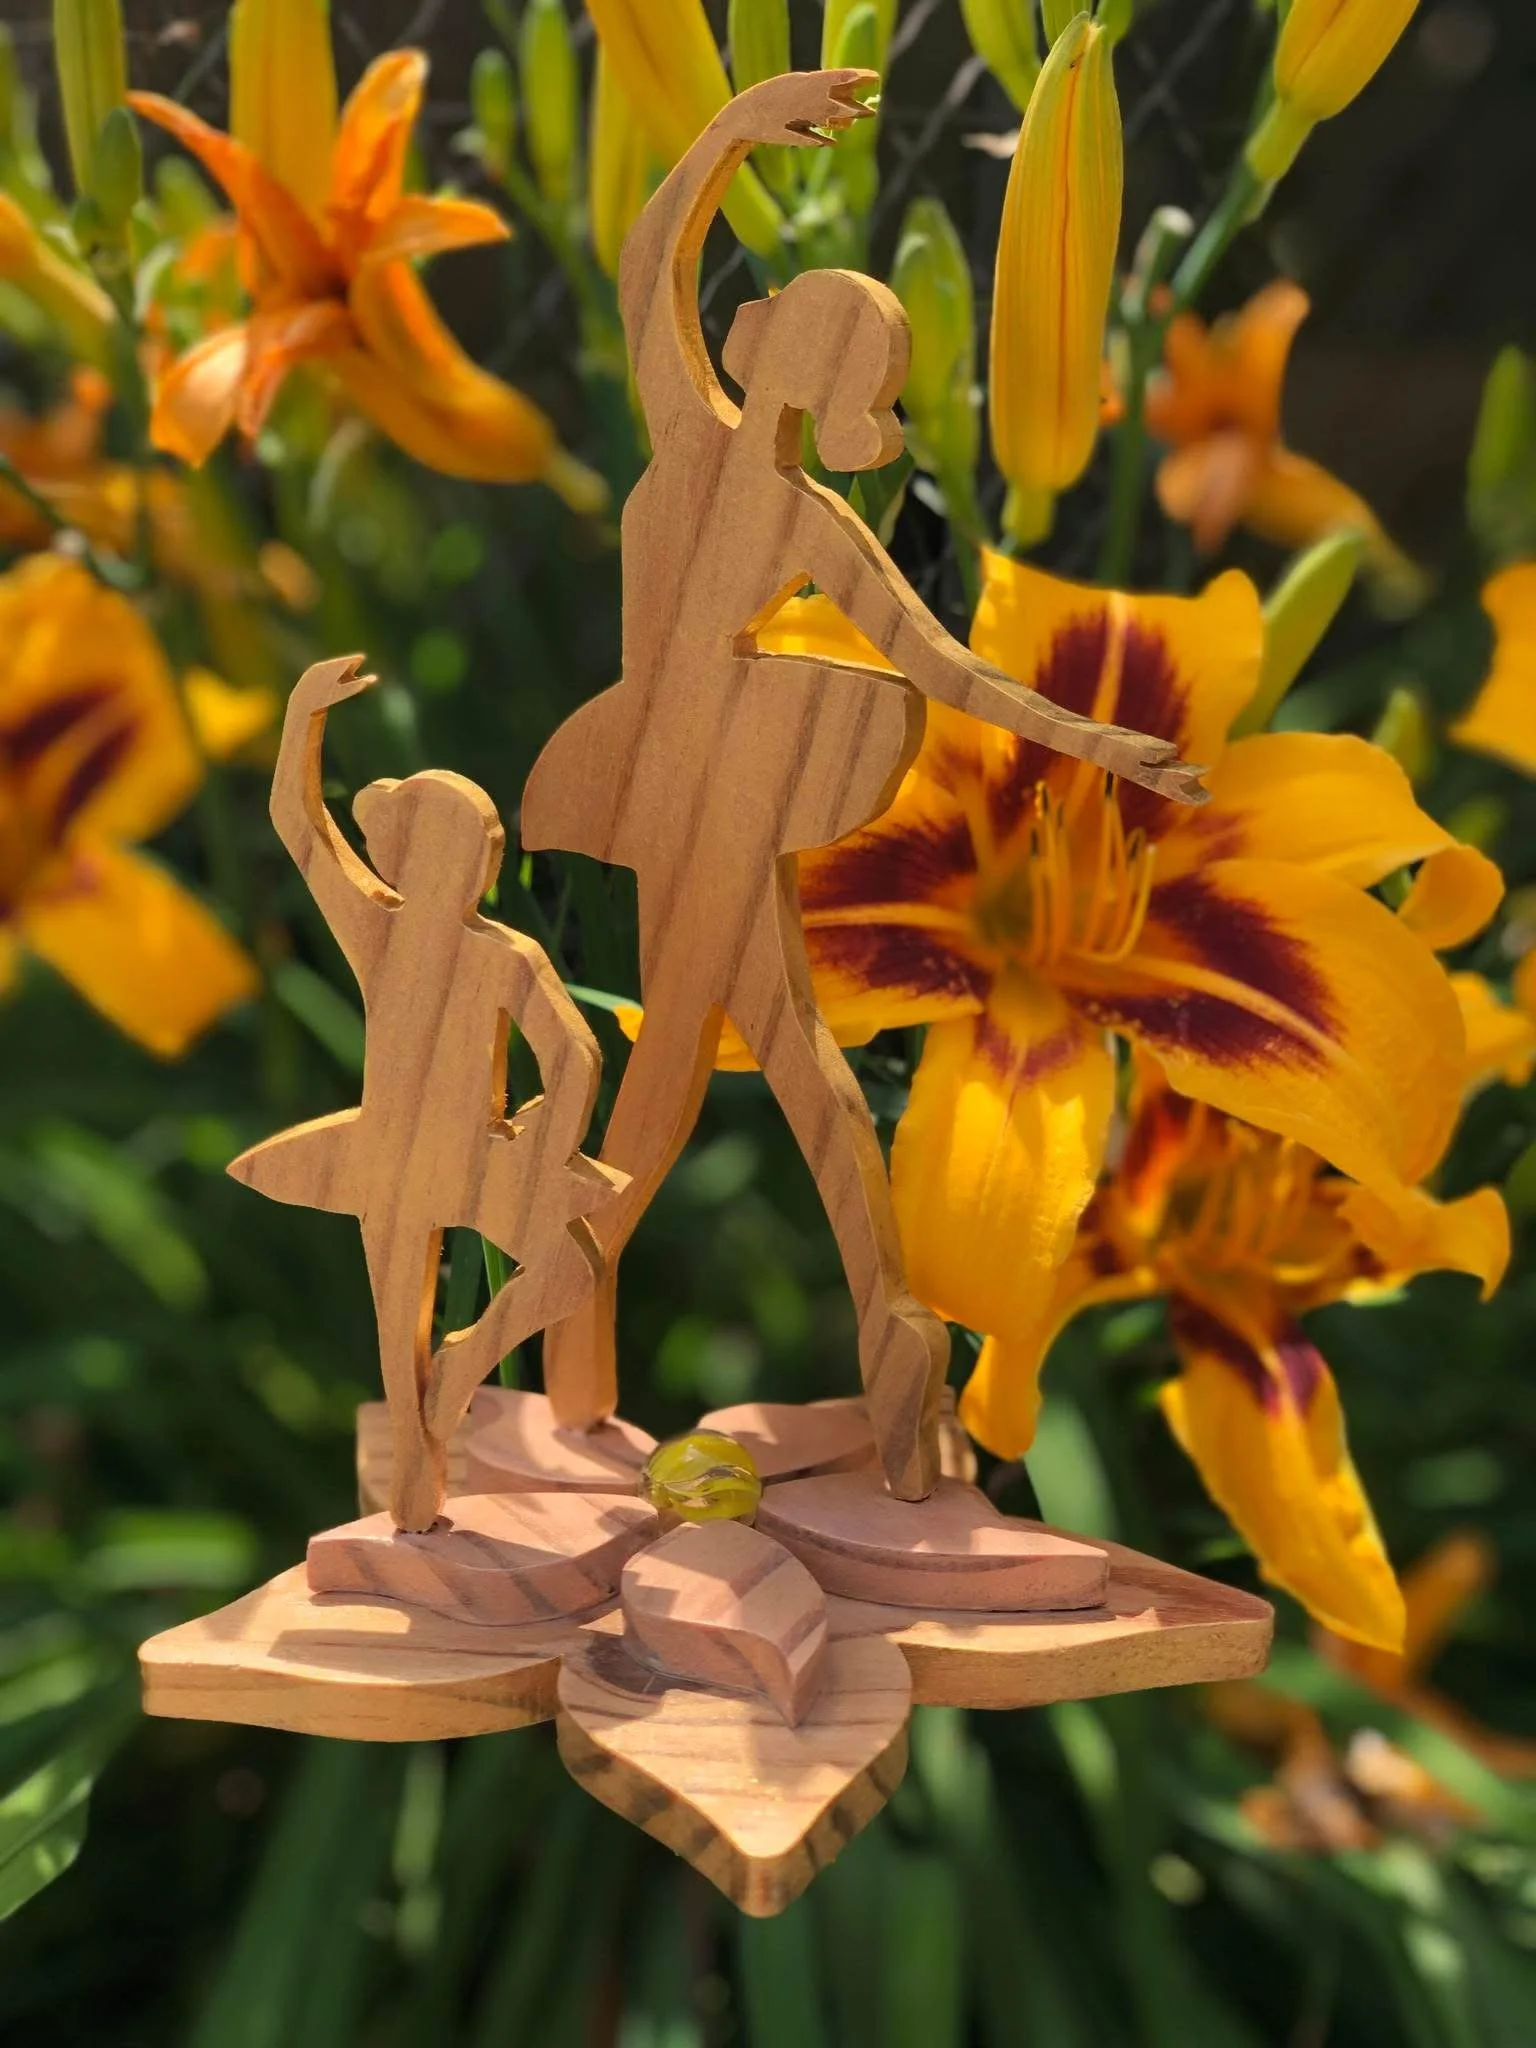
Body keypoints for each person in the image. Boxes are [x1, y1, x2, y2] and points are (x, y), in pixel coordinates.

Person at [522, 71, 1204, 1500]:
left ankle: (842, 1388)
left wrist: (1105, 747)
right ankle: (570, 1349)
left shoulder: (785, 505)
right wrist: (714, 137)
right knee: (682, 1117)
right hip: (685, 779)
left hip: (718, 787)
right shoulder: (707, 447)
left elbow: (945, 668)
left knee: (780, 1105)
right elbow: (652, 270)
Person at [229, 656, 623, 1530]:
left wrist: (543, 1139)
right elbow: (300, 823)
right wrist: (301, 719)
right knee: (394, 1311)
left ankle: (461, 1364)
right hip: (395, 1158)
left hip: (472, 1156)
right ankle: (417, 1451)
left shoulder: (504, 957)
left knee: (565, 1269)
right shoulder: (380, 928)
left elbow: (573, 1057)